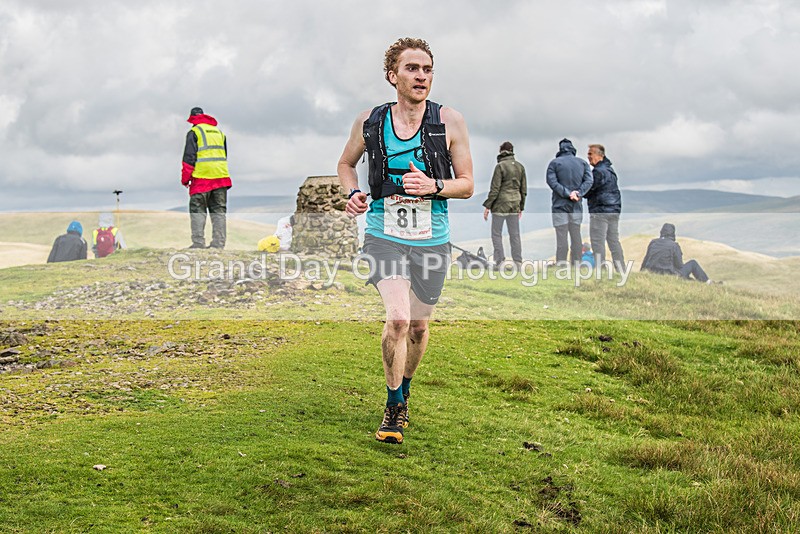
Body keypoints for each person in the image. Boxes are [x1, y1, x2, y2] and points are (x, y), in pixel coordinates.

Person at [337, 37, 474, 444]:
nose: (421, 76)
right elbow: (346, 164)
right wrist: (353, 193)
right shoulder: (370, 121)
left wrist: (433, 185)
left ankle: (406, 389)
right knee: (397, 318)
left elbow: (466, 185)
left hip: (431, 238)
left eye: (427, 69)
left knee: (417, 326)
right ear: (392, 75)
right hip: (384, 235)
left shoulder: (450, 121)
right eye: (412, 68)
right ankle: (394, 405)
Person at [182, 107, 232, 249]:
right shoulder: (219, 133)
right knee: (219, 212)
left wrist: (185, 179)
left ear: (192, 119)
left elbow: (189, 159)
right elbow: (224, 155)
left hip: (201, 179)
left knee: (198, 211)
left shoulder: (194, 133)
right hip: (221, 178)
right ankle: (219, 243)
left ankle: (198, 243)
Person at [546, 138, 593, 264]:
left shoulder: (554, 164)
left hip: (559, 205)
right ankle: (576, 264)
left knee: (561, 238)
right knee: (576, 236)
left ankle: (561, 266)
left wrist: (567, 193)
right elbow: (589, 181)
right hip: (576, 205)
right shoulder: (583, 163)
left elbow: (552, 182)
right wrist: (578, 193)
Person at [483, 141, 526, 268]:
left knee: (497, 233)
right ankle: (518, 262)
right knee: (515, 234)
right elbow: (523, 190)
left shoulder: (500, 166)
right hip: (515, 204)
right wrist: (521, 207)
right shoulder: (520, 167)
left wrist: (488, 206)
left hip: (500, 205)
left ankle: (499, 261)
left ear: (501, 151)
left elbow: (495, 188)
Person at [585, 144, 625, 272]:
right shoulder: (610, 170)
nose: (588, 156)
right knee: (614, 242)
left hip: (600, 211)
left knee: (598, 242)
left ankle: (600, 271)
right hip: (614, 211)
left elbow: (588, 190)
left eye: (590, 154)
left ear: (599, 155)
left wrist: (578, 193)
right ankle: (621, 270)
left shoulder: (598, 172)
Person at [641, 223, 710, 282]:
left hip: (652, 272)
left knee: (687, 277)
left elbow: (646, 259)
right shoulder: (674, 245)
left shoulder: (653, 242)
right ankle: (707, 282)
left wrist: (641, 273)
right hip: (669, 274)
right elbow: (679, 265)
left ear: (661, 232)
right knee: (693, 263)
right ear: (672, 233)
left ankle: (690, 280)